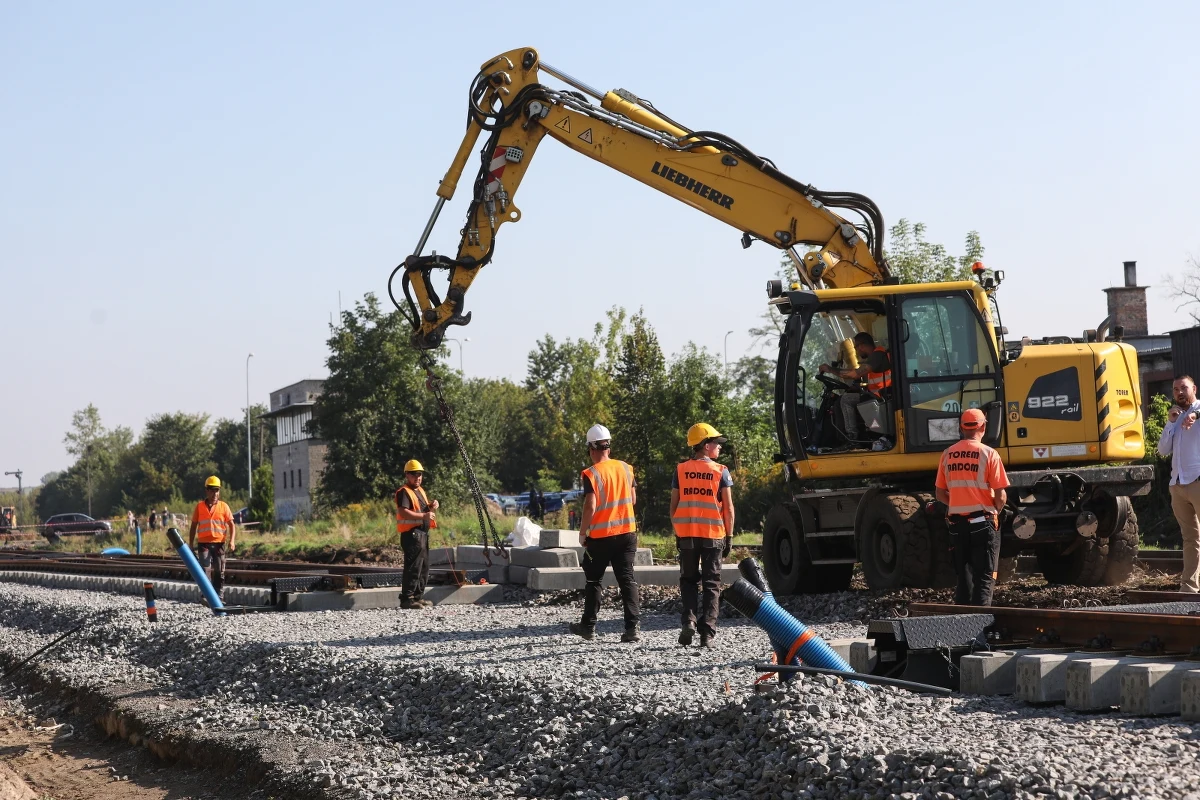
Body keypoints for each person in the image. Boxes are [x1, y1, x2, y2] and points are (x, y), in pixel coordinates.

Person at [569, 424, 641, 643]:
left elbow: (590, 506)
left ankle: (588, 627)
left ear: (591, 448)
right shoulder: (626, 468)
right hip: (627, 533)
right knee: (627, 579)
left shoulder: (591, 473)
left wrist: (583, 533)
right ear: (608, 446)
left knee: (593, 581)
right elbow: (633, 499)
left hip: (601, 537)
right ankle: (632, 629)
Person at [934, 409, 1009, 606]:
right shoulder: (989, 454)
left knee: (963, 579)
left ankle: (961, 626)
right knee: (984, 578)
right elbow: (1001, 495)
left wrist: (959, 503)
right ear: (983, 427)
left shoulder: (947, 454)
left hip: (957, 525)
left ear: (961, 427)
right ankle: (980, 629)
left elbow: (940, 494)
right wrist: (994, 509)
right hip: (983, 523)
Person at [671, 423, 736, 647]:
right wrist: (729, 536)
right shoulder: (721, 471)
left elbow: (674, 506)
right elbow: (728, 508)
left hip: (687, 534)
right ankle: (707, 632)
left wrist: (678, 532)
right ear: (706, 446)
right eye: (717, 443)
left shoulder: (680, 470)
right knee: (711, 584)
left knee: (688, 580)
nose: (719, 448)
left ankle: (689, 620)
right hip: (713, 535)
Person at [1158, 375, 1200, 593]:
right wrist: (1170, 422)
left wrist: (1194, 413)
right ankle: (1189, 588)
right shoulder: (1174, 416)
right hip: (1178, 485)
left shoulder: (1199, 409)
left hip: (1197, 481)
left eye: (1184, 388)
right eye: (1175, 390)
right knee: (1190, 538)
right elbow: (1163, 450)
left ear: (1194, 388)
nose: (1179, 392)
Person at [818, 331, 892, 446]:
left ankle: (852, 438)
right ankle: (842, 439)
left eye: (856, 347)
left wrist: (831, 369)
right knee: (838, 401)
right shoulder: (872, 358)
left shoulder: (878, 355)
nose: (856, 351)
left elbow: (855, 374)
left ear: (861, 346)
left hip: (883, 398)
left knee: (846, 400)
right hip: (877, 395)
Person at [396, 459, 439, 609]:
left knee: (423, 567)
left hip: (422, 533)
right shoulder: (404, 492)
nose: (417, 477)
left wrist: (432, 506)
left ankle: (417, 597)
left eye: (419, 474)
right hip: (412, 535)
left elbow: (421, 509)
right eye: (414, 474)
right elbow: (403, 511)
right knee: (413, 567)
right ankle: (407, 599)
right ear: (407, 475)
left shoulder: (420, 491)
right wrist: (423, 517)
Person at [188, 476, 237, 601]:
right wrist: (190, 544)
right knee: (205, 570)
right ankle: (206, 595)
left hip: (219, 543)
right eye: (212, 490)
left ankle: (219, 596)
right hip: (203, 543)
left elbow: (232, 525)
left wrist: (231, 541)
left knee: (219, 571)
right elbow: (193, 526)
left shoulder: (224, 506)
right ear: (207, 491)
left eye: (217, 490)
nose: (215, 493)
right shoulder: (199, 507)